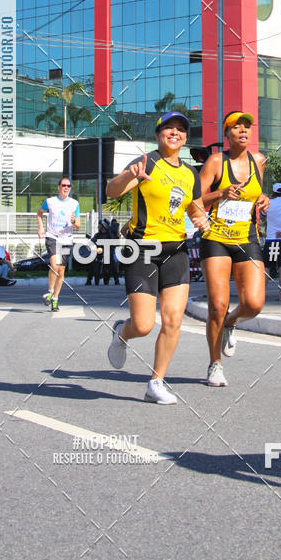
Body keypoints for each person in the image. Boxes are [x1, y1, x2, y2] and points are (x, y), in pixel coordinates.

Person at [105, 111, 208, 405]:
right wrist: (129, 175)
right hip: (142, 249)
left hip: (176, 250)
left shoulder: (190, 173)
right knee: (143, 325)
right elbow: (111, 191)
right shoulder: (145, 162)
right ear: (158, 134)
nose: (174, 133)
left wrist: (203, 221)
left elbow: (194, 208)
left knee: (174, 319)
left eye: (180, 130)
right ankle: (122, 334)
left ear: (185, 138)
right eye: (168, 128)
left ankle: (156, 382)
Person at [198, 111, 270, 388]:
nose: (243, 130)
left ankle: (231, 322)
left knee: (254, 304)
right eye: (236, 126)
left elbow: (257, 194)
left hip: (246, 238)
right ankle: (215, 364)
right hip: (215, 237)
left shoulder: (259, 161)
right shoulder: (216, 161)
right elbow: (196, 201)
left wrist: (264, 199)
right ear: (226, 134)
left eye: (247, 126)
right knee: (217, 304)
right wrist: (221, 193)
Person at [37, 176, 80, 312]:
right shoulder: (50, 202)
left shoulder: (74, 204)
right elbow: (39, 213)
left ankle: (55, 299)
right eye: (63, 185)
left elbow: (78, 225)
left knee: (61, 271)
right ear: (59, 187)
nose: (66, 188)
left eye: (68, 186)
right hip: (52, 236)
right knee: (54, 265)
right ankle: (50, 291)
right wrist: (41, 227)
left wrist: (73, 221)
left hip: (66, 238)